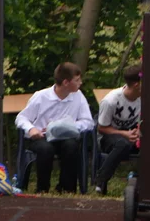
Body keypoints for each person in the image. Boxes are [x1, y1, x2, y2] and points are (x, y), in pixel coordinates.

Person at [15, 62, 95, 194]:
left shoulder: (78, 96)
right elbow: (22, 117)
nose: (80, 82)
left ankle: (66, 188)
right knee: (45, 149)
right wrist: (31, 129)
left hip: (66, 136)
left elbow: (88, 121)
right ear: (66, 82)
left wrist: (68, 126)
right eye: (77, 80)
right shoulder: (41, 96)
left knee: (71, 147)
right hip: (42, 137)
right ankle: (42, 188)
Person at [94, 64, 141, 195]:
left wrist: (139, 131)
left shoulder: (145, 98)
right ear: (137, 84)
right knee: (123, 144)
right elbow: (101, 128)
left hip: (133, 134)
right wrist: (124, 134)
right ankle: (101, 179)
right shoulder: (111, 101)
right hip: (110, 136)